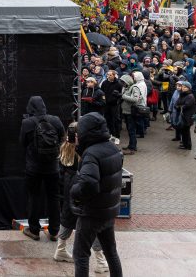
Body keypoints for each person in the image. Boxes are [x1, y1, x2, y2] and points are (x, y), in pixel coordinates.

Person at [70, 112, 124, 277]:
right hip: (108, 211)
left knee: (80, 254)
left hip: (92, 213)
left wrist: (74, 191)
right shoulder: (113, 148)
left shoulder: (92, 154)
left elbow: (89, 183)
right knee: (111, 252)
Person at [52, 122, 108, 271]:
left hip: (68, 184)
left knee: (67, 216)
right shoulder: (84, 151)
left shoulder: (64, 147)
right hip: (80, 183)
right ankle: (100, 260)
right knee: (92, 220)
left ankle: (60, 249)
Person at [19, 96, 65, 241]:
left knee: (34, 197)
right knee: (54, 198)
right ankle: (54, 231)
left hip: (34, 167)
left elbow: (22, 143)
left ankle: (34, 230)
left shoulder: (27, 123)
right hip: (52, 167)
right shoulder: (56, 120)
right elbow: (62, 137)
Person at [173, 80, 196, 151]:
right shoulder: (182, 94)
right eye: (182, 87)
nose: (183, 88)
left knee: (186, 132)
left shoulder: (190, 96)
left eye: (185, 87)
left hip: (187, 117)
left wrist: (179, 106)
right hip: (183, 115)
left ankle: (188, 145)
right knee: (183, 131)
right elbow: (177, 103)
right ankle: (185, 144)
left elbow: (186, 105)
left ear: (189, 88)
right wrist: (178, 106)